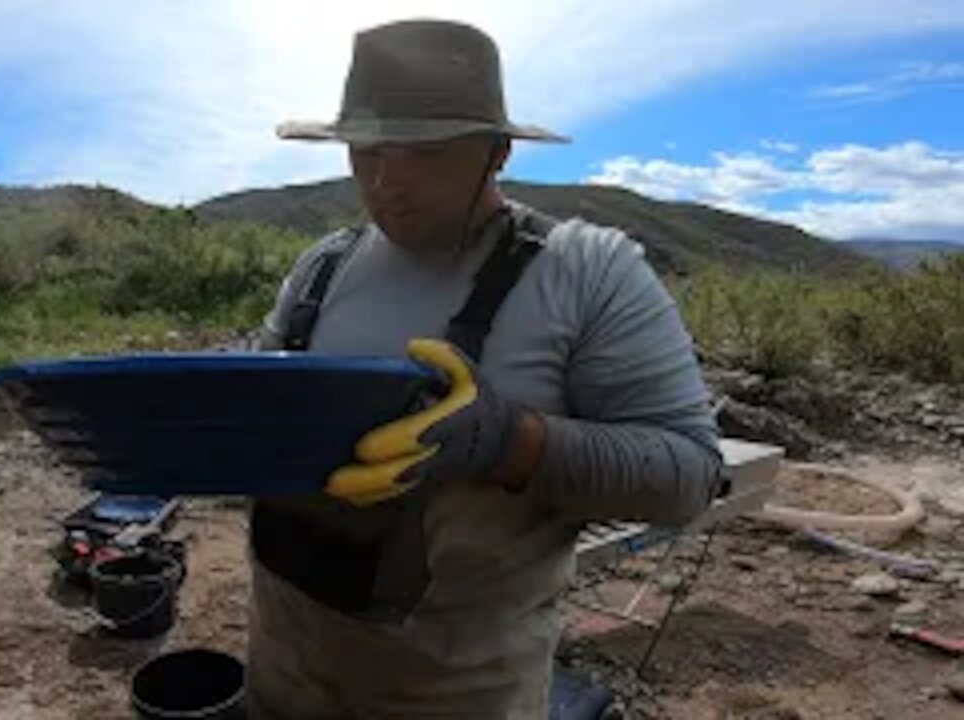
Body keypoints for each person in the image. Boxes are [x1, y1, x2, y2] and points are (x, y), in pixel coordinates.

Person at [249, 18, 724, 719]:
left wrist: (509, 443)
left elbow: (688, 476)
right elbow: (257, 404)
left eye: (425, 152)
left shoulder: (588, 273)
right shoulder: (323, 266)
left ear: (497, 152)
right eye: (367, 150)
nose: (386, 180)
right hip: (284, 677)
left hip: (458, 697)